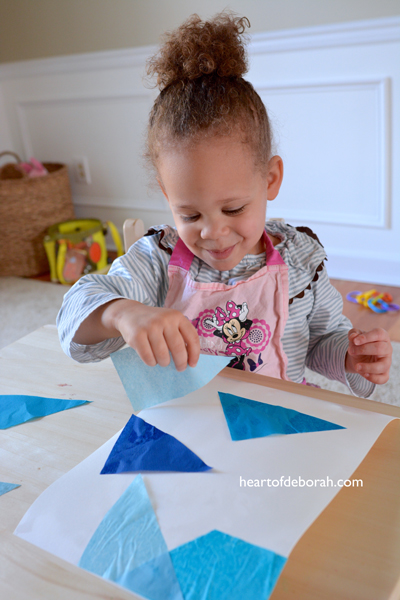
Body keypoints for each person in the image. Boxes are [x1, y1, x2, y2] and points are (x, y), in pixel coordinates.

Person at [57, 12, 392, 398]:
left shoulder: (301, 261)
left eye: (233, 209)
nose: (213, 233)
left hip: (278, 413)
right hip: (189, 423)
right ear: (168, 198)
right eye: (190, 214)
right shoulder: (157, 262)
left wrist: (354, 358)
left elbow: (321, 342)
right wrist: (121, 313)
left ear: (270, 180)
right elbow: (72, 319)